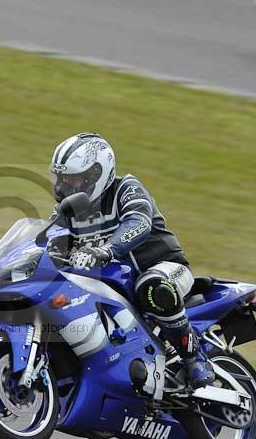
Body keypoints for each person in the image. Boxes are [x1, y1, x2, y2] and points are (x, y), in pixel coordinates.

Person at [49, 133, 214, 389]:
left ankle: (195, 358)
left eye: (73, 178)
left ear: (96, 174)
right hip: (112, 284)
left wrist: (106, 250)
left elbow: (139, 222)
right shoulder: (68, 210)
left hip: (164, 267)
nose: (66, 185)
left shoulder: (126, 188)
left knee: (151, 286)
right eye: (62, 178)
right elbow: (48, 239)